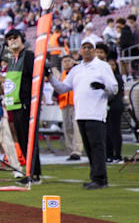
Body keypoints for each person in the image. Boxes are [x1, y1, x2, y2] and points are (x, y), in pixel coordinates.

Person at [49, 38, 118, 189]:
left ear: (94, 50)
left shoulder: (102, 66)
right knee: (89, 148)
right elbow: (63, 88)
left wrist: (103, 86)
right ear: (80, 50)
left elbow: (114, 88)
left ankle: (100, 179)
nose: (86, 50)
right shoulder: (76, 69)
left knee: (97, 147)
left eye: (89, 47)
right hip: (80, 113)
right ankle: (96, 177)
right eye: (84, 47)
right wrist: (50, 78)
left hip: (95, 113)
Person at [0, 29, 41, 185]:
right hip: (15, 103)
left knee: (29, 139)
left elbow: (35, 76)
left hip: (26, 103)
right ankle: (29, 172)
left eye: (15, 37)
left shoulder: (29, 56)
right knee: (22, 139)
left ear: (21, 39)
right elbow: (10, 81)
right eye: (9, 38)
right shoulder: (12, 60)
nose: (12, 40)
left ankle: (34, 174)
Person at [57, 55, 83, 161]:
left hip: (75, 103)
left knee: (76, 127)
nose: (66, 63)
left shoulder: (77, 73)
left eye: (68, 61)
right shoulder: (61, 75)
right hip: (64, 103)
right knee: (67, 128)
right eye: (64, 61)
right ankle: (70, 150)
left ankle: (77, 151)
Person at [105, 56, 124, 163]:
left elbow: (114, 93)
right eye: (109, 64)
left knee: (115, 131)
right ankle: (109, 154)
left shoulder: (117, 77)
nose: (110, 67)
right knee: (108, 132)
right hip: (108, 106)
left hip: (115, 106)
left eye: (112, 65)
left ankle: (117, 155)